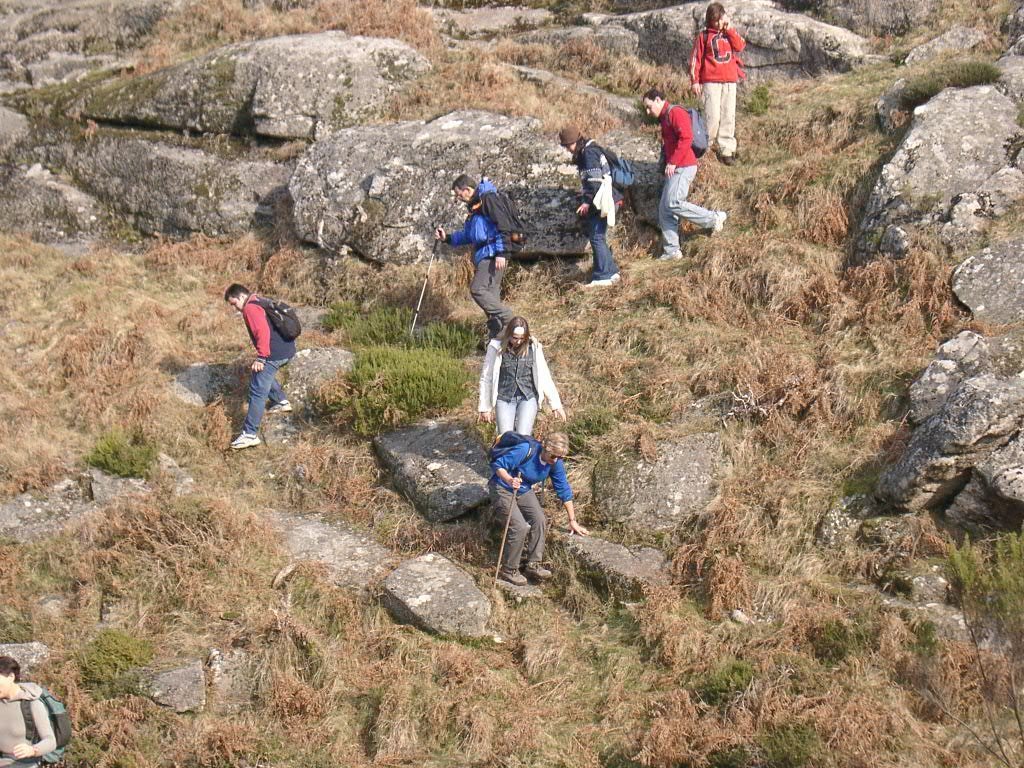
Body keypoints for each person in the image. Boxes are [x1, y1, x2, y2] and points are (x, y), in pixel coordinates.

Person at [490, 432, 588, 586]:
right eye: (553, 456)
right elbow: (498, 465)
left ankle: (533, 564)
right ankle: (509, 569)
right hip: (502, 487)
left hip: (523, 490)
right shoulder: (525, 450)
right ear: (545, 448)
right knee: (519, 526)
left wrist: (572, 520)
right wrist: (509, 479)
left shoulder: (555, 462)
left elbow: (563, 488)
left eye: (560, 457)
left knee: (540, 519)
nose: (555, 460)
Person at [642, 87, 728, 261]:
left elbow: (687, 137)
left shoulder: (675, 113)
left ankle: (714, 219)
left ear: (658, 100)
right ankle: (672, 251)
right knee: (665, 209)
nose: (648, 112)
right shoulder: (665, 117)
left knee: (673, 202)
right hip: (675, 168)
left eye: (649, 107)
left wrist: (673, 162)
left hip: (684, 166)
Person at [435, 175, 515, 339]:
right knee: (491, 299)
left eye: (459, 194)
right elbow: (469, 235)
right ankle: (499, 338)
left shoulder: (488, 199)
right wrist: (447, 238)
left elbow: (503, 225)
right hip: (485, 255)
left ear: (467, 190)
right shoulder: (475, 207)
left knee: (477, 289)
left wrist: (501, 253)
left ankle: (510, 318)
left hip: (492, 255)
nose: (458, 198)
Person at [223, 283, 296, 450]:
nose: (235, 308)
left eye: (234, 303)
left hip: (273, 354)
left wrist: (262, 358)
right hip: (287, 349)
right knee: (261, 375)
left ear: (241, 296)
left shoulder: (250, 308)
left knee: (257, 391)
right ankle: (281, 401)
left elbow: (262, 332)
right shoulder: (259, 300)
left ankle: (249, 434)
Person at [479, 316, 566, 436]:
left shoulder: (534, 347)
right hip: (504, 398)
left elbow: (544, 375)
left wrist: (555, 404)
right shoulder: (495, 347)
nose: (518, 341)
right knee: (506, 438)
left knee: (523, 437)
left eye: (522, 338)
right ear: (508, 335)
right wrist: (485, 407)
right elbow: (486, 377)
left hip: (527, 398)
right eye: (515, 338)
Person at [558, 126, 622, 288]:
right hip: (609, 198)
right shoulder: (591, 149)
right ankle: (612, 272)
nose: (567, 149)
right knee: (599, 237)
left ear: (575, 141)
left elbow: (595, 181)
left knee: (596, 237)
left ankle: (603, 276)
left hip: (601, 201)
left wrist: (586, 201)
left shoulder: (588, 153)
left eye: (568, 145)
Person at [689, 2, 746, 166]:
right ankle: (706, 148)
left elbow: (740, 46)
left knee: (728, 116)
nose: (717, 23)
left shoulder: (730, 33)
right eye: (714, 20)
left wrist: (729, 29)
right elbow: (696, 60)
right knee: (712, 117)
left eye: (719, 19)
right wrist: (695, 81)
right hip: (711, 82)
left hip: (729, 81)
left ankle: (726, 150)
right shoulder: (704, 36)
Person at [0, 656, 55, 768]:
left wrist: (32, 750)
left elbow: (50, 741)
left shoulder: (31, 703)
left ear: (11, 677)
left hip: (27, 764)